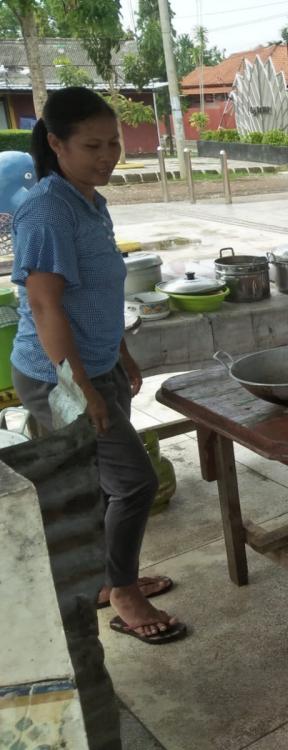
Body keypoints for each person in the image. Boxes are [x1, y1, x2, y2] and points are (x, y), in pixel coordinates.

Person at [10, 87, 187, 643]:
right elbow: (44, 304)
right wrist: (81, 385)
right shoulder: (45, 209)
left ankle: (103, 580)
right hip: (56, 376)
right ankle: (123, 589)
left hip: (96, 365)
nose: (108, 155)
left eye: (114, 143)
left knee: (100, 483)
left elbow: (98, 292)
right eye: (93, 145)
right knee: (132, 483)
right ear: (56, 144)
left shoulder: (91, 200)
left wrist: (120, 351)